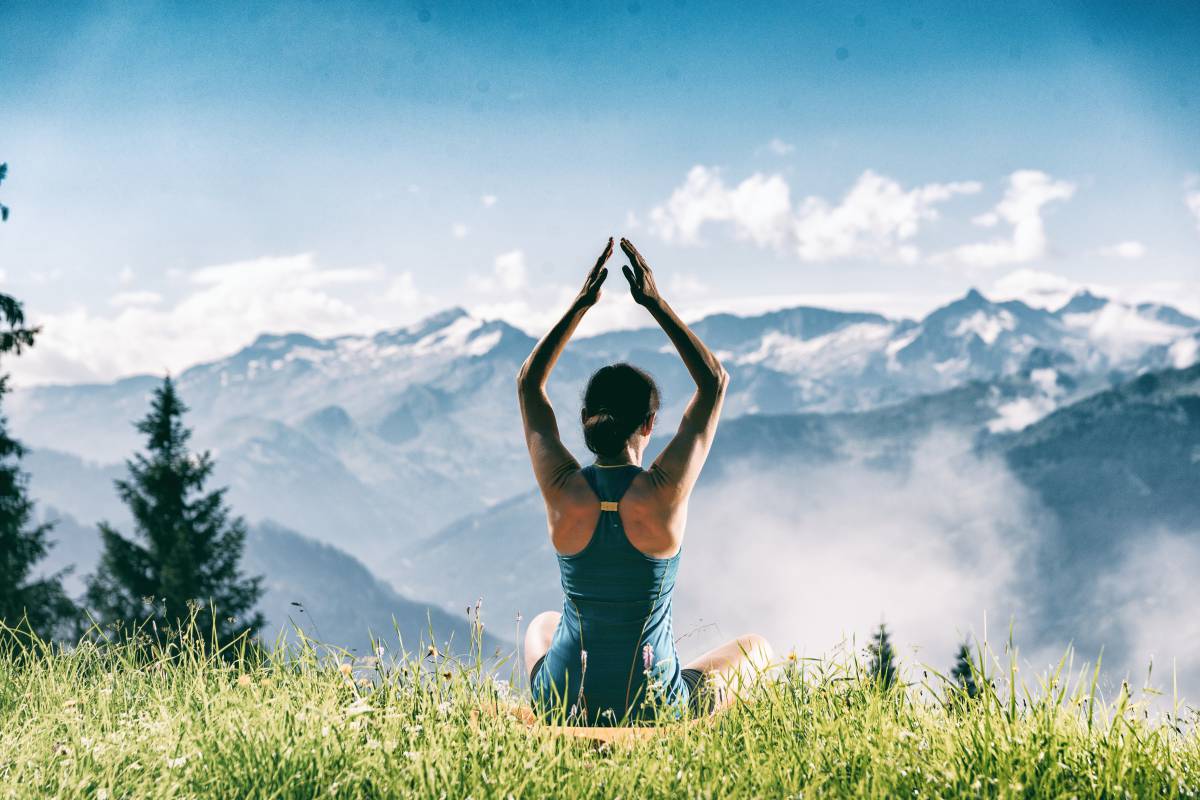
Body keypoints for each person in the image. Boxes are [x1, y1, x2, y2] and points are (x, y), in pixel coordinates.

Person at [517, 237, 774, 726]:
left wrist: (581, 305)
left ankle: (561, 710)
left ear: (587, 419)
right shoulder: (664, 493)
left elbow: (529, 383)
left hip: (564, 701)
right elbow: (714, 381)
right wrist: (654, 302)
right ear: (650, 424)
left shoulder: (562, 489)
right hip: (653, 702)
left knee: (544, 625)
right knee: (755, 649)